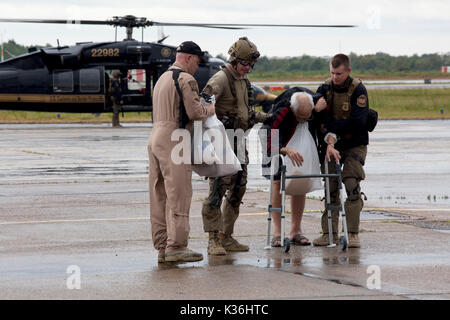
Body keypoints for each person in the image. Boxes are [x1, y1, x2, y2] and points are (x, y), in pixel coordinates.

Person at [200, 37, 272, 255]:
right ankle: (213, 240)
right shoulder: (221, 78)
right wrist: (217, 126)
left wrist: (267, 117)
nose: (247, 68)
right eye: (244, 64)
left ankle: (226, 236)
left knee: (238, 188)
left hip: (239, 141)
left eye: (250, 65)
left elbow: (246, 112)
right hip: (223, 142)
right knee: (217, 189)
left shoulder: (243, 81)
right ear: (234, 60)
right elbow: (204, 102)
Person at [148, 41, 215, 263]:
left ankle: (162, 247)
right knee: (179, 192)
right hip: (175, 138)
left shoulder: (162, 79)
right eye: (196, 61)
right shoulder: (186, 79)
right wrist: (211, 109)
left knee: (160, 195)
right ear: (188, 58)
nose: (197, 67)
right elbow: (195, 112)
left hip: (155, 137)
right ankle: (176, 245)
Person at [313, 53, 370, 248]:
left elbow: (358, 121)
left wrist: (332, 129)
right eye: (332, 73)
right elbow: (318, 118)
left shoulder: (358, 89)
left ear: (348, 71)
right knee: (330, 189)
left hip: (354, 144)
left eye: (339, 73)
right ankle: (329, 233)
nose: (335, 77)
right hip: (331, 146)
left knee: (351, 185)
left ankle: (352, 233)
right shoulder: (324, 89)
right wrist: (329, 136)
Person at [262, 89, 321, 247]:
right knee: (276, 183)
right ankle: (277, 232)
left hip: (298, 143)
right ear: (293, 110)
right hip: (278, 143)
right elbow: (270, 141)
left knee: (301, 181)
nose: (303, 120)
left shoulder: (314, 103)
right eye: (300, 117)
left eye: (307, 117)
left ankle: (296, 231)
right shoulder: (282, 112)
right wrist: (284, 150)